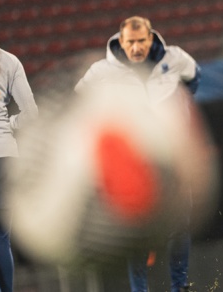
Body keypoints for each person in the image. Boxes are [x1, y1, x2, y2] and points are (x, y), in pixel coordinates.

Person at [75, 16, 201, 292]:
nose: (136, 47)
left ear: (151, 38)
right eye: (130, 42)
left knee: (181, 222)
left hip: (170, 155)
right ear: (121, 42)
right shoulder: (101, 71)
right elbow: (78, 102)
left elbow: (193, 78)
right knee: (137, 231)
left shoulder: (175, 58)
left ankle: (180, 287)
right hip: (133, 160)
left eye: (141, 40)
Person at [0, 48, 38, 292]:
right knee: (2, 238)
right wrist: (9, 124)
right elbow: (32, 114)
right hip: (5, 155)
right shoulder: (9, 61)